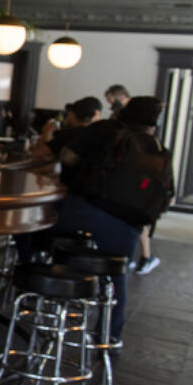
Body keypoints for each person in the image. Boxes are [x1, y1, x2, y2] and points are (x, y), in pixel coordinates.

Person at [55, 96, 172, 340]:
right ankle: (109, 337)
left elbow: (67, 156)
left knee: (34, 230)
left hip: (86, 209)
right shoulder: (155, 145)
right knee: (116, 277)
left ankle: (52, 293)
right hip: (129, 222)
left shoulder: (105, 128)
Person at [32, 96, 101, 161]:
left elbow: (37, 153)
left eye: (68, 113)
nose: (67, 116)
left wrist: (46, 131)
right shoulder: (97, 134)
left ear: (72, 114)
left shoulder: (69, 134)